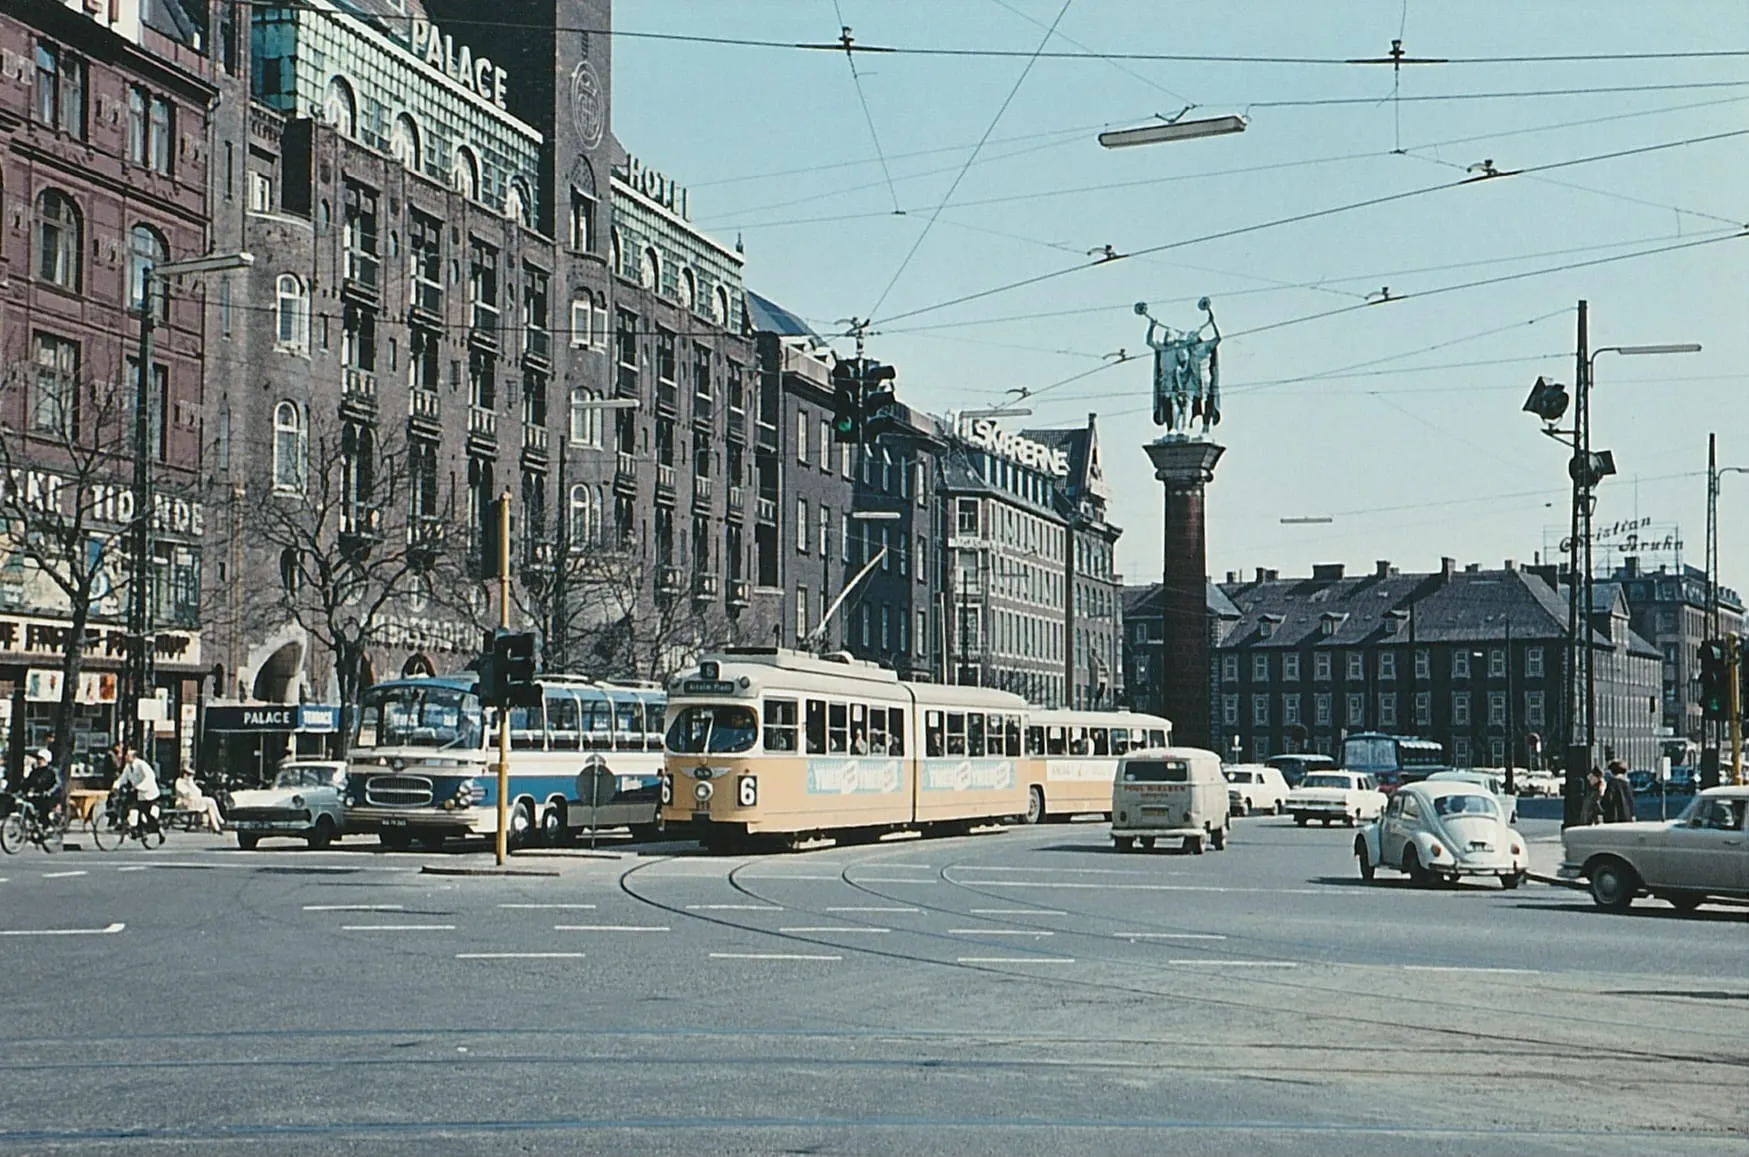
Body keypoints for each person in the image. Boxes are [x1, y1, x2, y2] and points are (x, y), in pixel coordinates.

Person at [110, 742, 161, 835]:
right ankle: (128, 825)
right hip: (137, 792)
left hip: (148, 793)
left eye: (128, 756)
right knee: (127, 805)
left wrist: (139, 787)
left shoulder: (141, 765)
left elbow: (150, 777)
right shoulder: (128, 767)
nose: (126, 757)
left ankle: (158, 830)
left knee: (146, 813)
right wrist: (116, 786)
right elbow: (123, 778)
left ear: (133, 757)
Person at [1603, 759, 1636, 824]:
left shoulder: (1612, 783)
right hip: (1627, 815)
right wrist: (1632, 814)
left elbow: (1608, 799)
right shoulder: (1627, 783)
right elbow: (1631, 800)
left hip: (1614, 816)